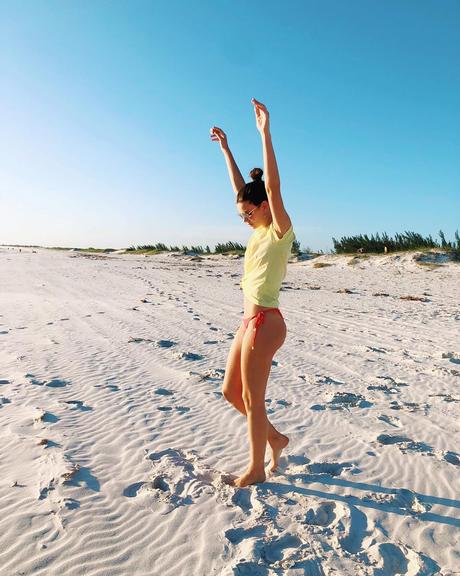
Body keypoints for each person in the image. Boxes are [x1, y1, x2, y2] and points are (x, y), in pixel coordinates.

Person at [210, 98, 296, 487]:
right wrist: (227, 150)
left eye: (249, 213)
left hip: (267, 321)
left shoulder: (279, 231)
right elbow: (237, 188)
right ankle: (275, 439)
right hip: (248, 321)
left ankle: (257, 468)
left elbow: (273, 187)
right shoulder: (258, 229)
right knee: (231, 392)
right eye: (240, 215)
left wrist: (265, 133)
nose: (244, 219)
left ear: (265, 208)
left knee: (253, 399)